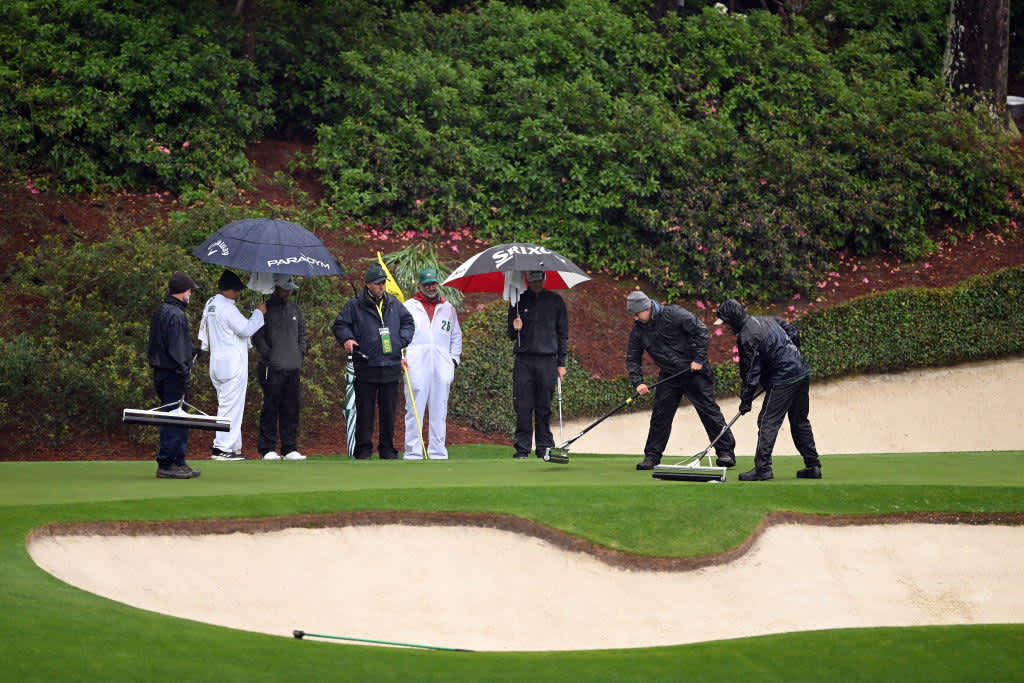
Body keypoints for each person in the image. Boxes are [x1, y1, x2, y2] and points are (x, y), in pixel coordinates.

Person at [626, 290, 736, 471]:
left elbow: (702, 332)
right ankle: (652, 457)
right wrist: (638, 382)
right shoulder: (638, 330)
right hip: (669, 375)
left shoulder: (674, 314)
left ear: (646, 309)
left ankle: (726, 453)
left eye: (637, 314)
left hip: (695, 372)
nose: (635, 318)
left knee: (709, 412)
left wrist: (699, 359)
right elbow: (632, 357)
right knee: (660, 415)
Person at [715, 298, 822, 481]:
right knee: (799, 422)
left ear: (733, 319)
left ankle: (763, 469)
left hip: (783, 379)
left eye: (726, 323)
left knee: (767, 421)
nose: (725, 327)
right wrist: (790, 356)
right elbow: (792, 332)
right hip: (801, 372)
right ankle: (813, 466)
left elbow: (750, 375)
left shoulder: (746, 337)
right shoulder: (767, 319)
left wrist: (746, 401)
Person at [332, 263, 414, 460]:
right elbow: (340, 324)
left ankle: (387, 449)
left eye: (383, 283)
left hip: (391, 365)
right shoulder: (355, 304)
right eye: (377, 283)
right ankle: (363, 449)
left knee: (388, 412)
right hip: (366, 364)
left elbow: (408, 323)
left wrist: (399, 341)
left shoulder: (393, 303)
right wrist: (348, 339)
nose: (381, 287)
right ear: (368, 284)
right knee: (365, 411)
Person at [199, 269, 266, 460]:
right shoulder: (227, 308)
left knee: (228, 405)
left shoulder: (210, 303)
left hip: (217, 363)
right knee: (230, 408)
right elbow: (246, 329)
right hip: (232, 365)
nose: (239, 294)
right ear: (230, 290)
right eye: (237, 290)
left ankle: (234, 446)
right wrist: (258, 314)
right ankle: (221, 448)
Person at [507, 270, 568, 459]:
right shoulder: (518, 301)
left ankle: (544, 447)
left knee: (543, 406)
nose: (536, 284)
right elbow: (510, 334)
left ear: (543, 279)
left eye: (539, 280)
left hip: (547, 360)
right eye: (532, 280)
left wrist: (561, 363)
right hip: (524, 360)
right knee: (523, 406)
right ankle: (522, 448)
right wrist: (515, 327)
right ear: (527, 280)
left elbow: (562, 334)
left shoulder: (555, 301)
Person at [403, 267, 463, 460]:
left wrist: (453, 361)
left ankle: (437, 451)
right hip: (415, 364)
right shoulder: (408, 307)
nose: (431, 287)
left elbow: (456, 337)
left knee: (439, 409)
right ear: (420, 285)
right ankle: (413, 452)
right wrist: (401, 356)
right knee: (414, 408)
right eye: (427, 284)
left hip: (441, 365)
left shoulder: (448, 309)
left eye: (434, 283)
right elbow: (399, 335)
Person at [147, 271, 202, 479]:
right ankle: (167, 463)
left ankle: (178, 460)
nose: (190, 295)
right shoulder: (177, 315)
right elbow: (176, 349)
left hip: (162, 371)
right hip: (173, 373)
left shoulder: (162, 310)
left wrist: (192, 350)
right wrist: (184, 369)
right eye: (189, 291)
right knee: (173, 417)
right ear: (183, 292)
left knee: (177, 416)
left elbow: (166, 343)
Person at [252, 273, 308, 461]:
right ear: (276, 288)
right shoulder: (265, 308)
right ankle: (267, 448)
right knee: (270, 408)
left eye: (290, 288)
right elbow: (256, 336)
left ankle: (289, 448)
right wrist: (269, 354)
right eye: (286, 288)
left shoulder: (295, 309)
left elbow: (302, 334)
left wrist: (300, 352)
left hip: (293, 367)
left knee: (291, 409)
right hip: (271, 368)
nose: (289, 291)